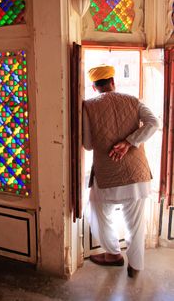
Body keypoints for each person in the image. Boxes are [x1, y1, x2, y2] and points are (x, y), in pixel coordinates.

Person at [82, 64, 159, 278]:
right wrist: (129, 141)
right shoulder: (133, 100)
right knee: (135, 224)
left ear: (94, 86)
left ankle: (113, 254)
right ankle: (135, 266)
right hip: (137, 174)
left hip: (108, 176)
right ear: (113, 82)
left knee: (97, 212)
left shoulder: (87, 106)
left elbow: (88, 145)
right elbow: (154, 123)